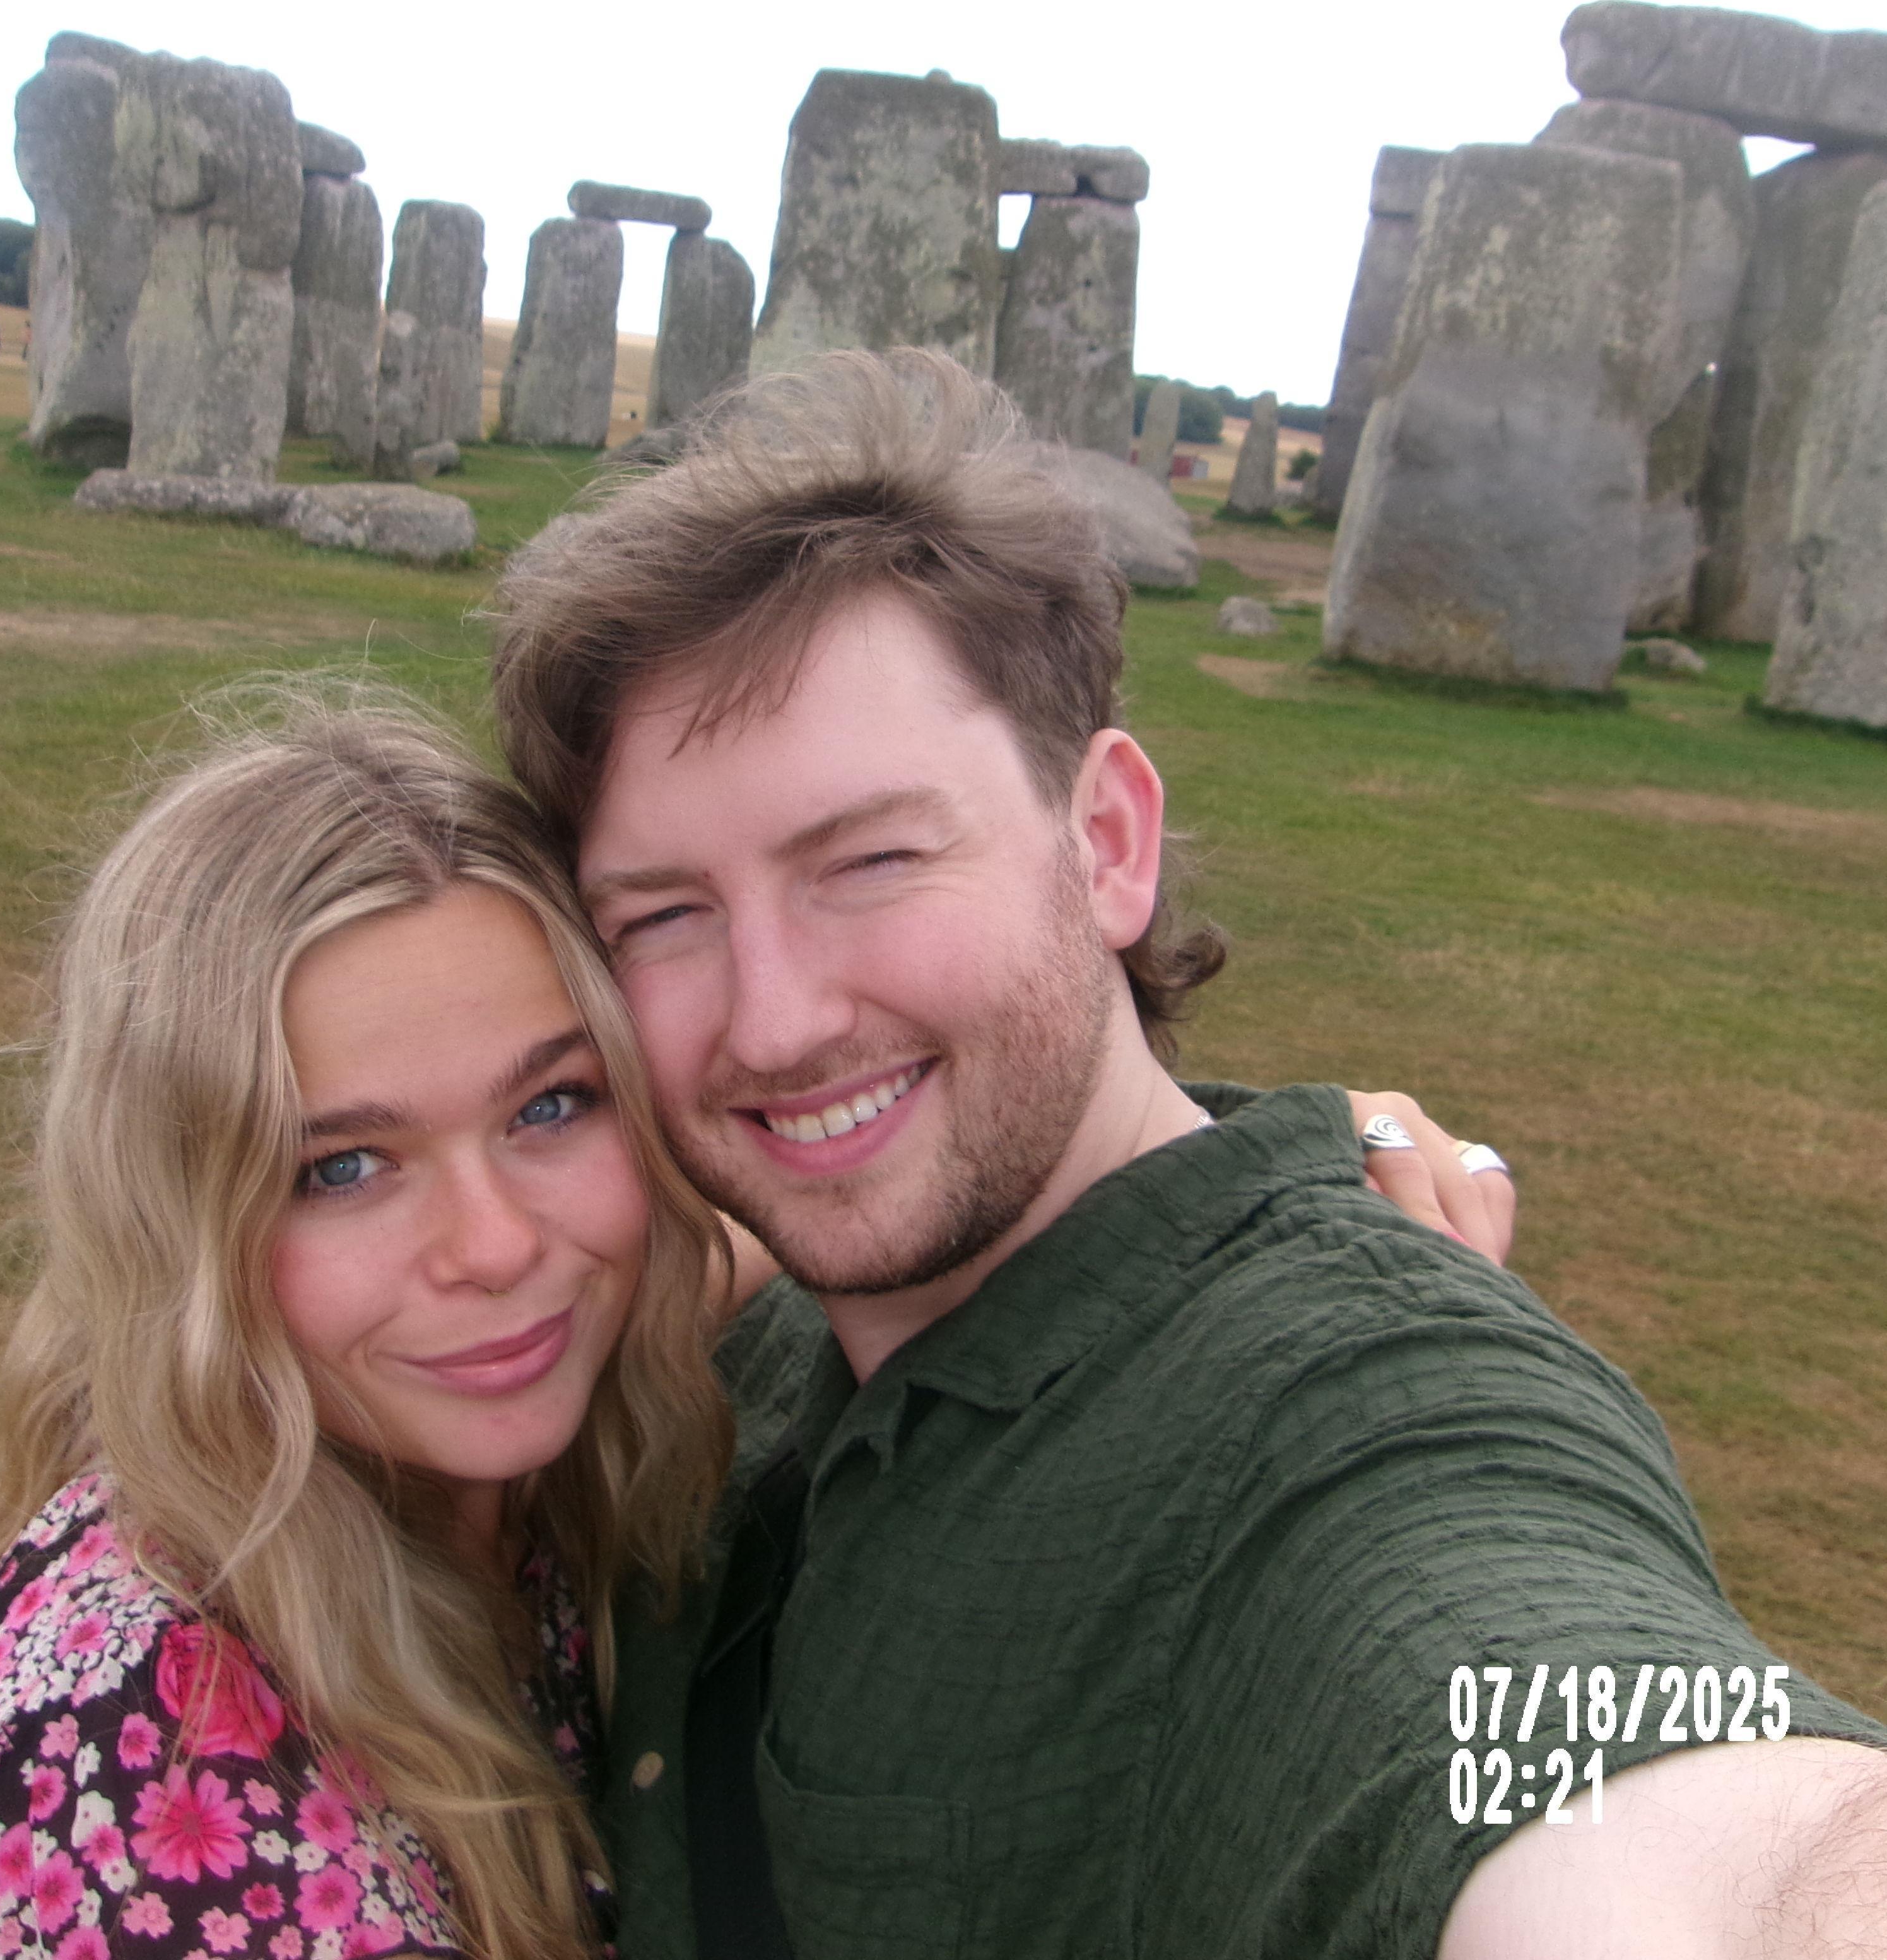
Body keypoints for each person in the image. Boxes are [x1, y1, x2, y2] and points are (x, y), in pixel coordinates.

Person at [486, 350, 1887, 1960]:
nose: (776, 1022)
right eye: (663, 916)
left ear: (1107, 844)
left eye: (868, 860)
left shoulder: (1358, 1401)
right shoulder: (759, 1306)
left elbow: (1641, 1789)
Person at [0, 698, 738, 1960]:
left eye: (552, 1105)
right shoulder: (151, 1810)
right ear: (184, 1229)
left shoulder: (405, 1466)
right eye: (345, 1169)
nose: (499, 1246)